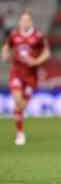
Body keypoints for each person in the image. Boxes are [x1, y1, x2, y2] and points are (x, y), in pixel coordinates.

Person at [1, 11, 51, 145]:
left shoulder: (38, 36)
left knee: (22, 106)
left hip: (31, 76)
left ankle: (19, 117)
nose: (24, 23)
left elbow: (46, 53)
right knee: (17, 100)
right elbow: (6, 47)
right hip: (16, 73)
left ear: (31, 22)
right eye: (22, 20)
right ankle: (20, 133)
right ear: (19, 22)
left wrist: (36, 61)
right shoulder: (14, 35)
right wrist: (5, 55)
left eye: (27, 20)